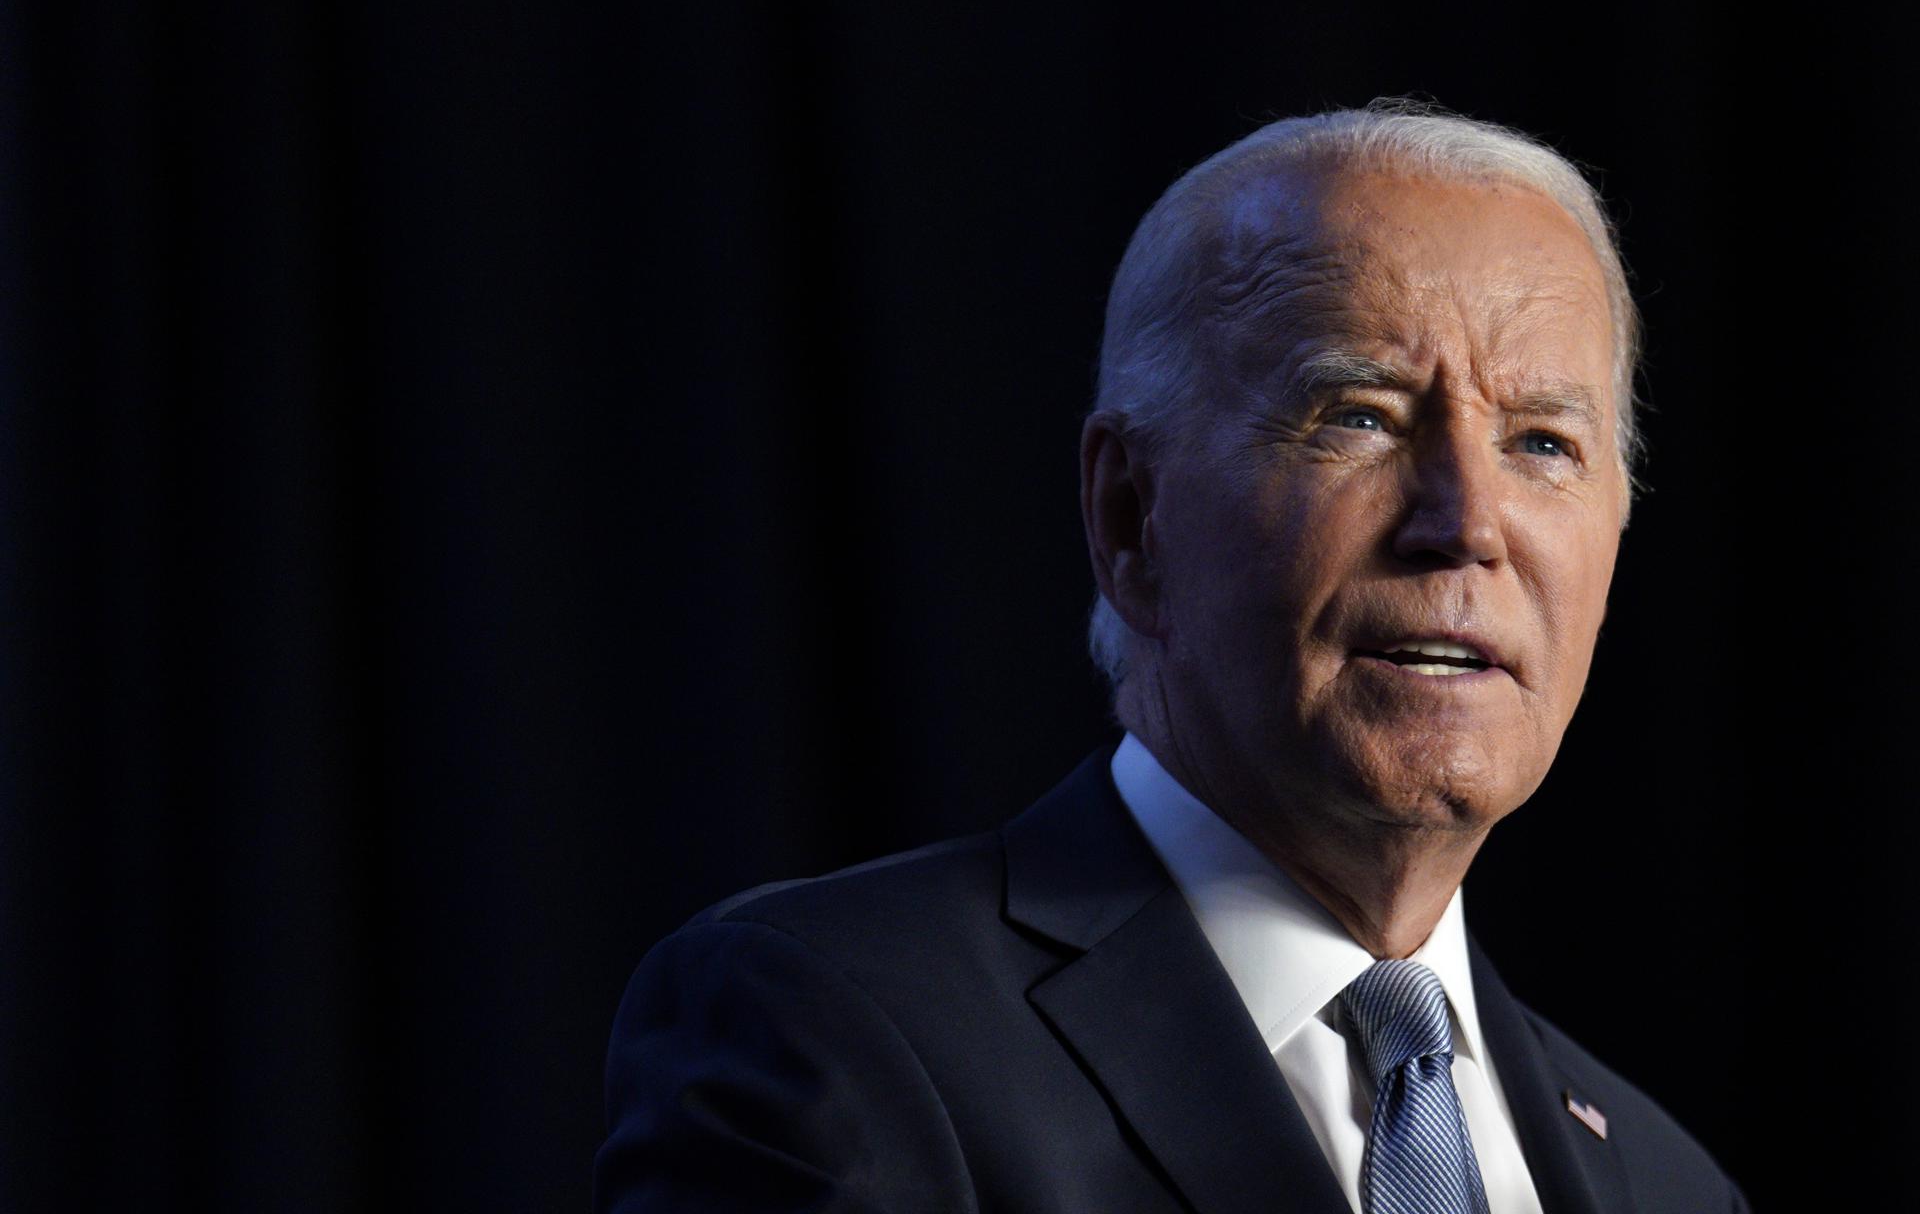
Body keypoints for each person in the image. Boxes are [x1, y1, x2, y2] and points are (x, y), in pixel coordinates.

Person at [595, 102, 1750, 1213]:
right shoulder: (833, 1032)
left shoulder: (1667, 1183)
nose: (1468, 520)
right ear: (1132, 515)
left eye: (1542, 441)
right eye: (1361, 414)